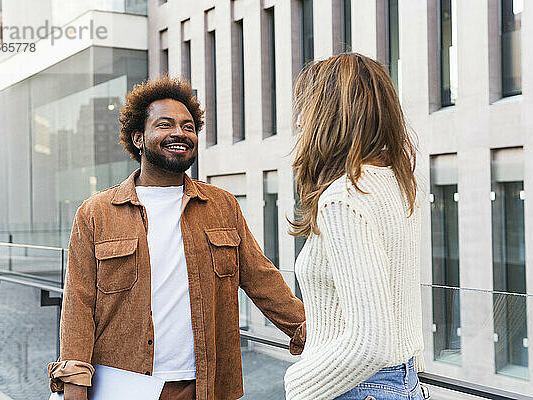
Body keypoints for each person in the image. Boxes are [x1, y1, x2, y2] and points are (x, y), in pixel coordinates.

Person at [47, 77, 306, 400]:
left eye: (188, 126)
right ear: (138, 138)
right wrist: (74, 385)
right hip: (122, 385)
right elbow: (79, 305)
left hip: (205, 386)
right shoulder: (96, 213)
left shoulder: (222, 206)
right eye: (165, 125)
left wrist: (315, 334)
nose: (179, 134)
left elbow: (263, 280)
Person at [283, 53, 426, 400]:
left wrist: (297, 386)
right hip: (401, 382)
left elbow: (372, 342)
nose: (300, 121)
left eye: (306, 107)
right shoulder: (396, 182)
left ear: (328, 114)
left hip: (357, 386)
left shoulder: (343, 198)